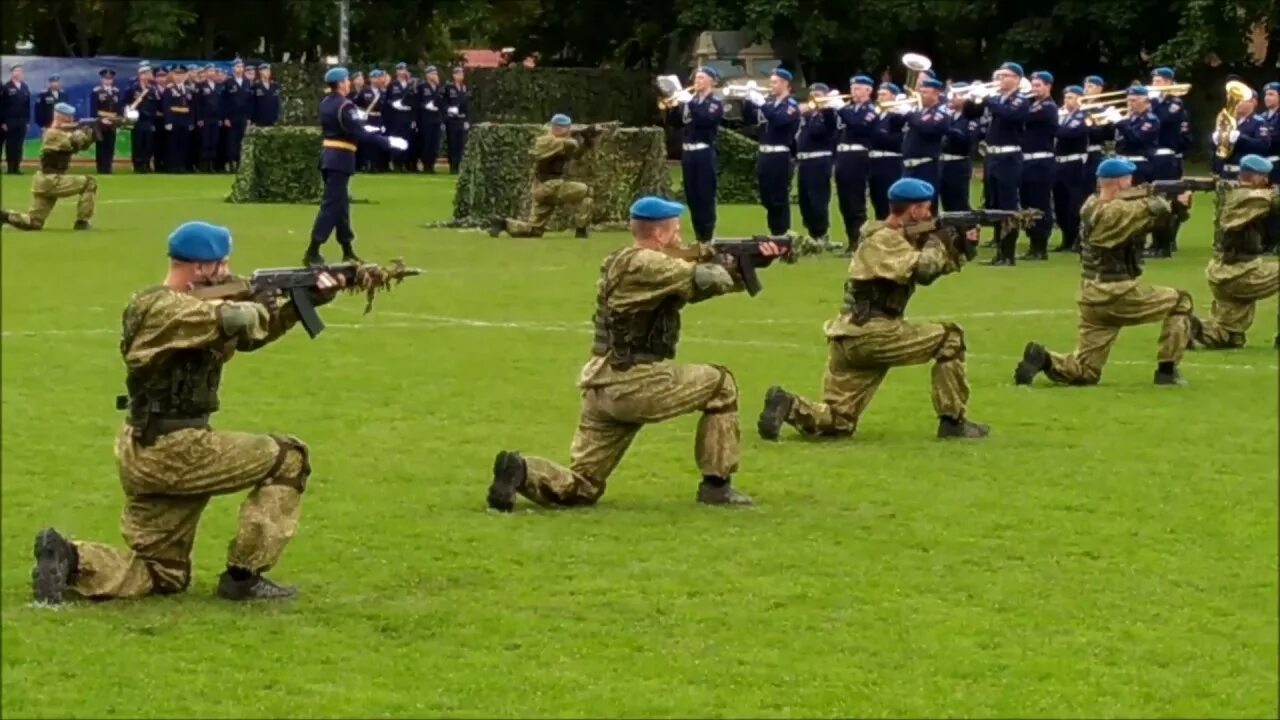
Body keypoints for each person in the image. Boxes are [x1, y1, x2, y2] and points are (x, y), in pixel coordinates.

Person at [29, 221, 346, 606]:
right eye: (223, 264)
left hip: (148, 447)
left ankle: (71, 556)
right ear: (201, 268)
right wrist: (269, 298)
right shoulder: (161, 307)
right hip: (176, 449)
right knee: (288, 457)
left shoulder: (185, 308)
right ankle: (244, 577)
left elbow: (250, 335)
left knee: (162, 573)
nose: (229, 272)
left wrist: (303, 302)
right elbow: (239, 320)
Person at [486, 196, 787, 512]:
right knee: (720, 384)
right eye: (675, 231)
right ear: (659, 234)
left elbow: (693, 285)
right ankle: (717, 486)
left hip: (601, 384)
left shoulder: (628, 262)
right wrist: (736, 261)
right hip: (634, 382)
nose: (680, 238)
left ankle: (520, 471)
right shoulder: (646, 263)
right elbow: (707, 278)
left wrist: (752, 260)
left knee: (584, 485)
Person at [756, 178, 989, 441]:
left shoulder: (888, 237)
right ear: (913, 211)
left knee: (839, 421)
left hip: (849, 336)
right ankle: (953, 421)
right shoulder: (885, 240)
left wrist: (959, 245)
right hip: (874, 335)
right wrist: (939, 240)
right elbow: (925, 269)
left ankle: (788, 406)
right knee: (950, 337)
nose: (929, 215)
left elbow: (926, 265)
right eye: (926, 209)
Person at [1013, 158, 1195, 387]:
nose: (1132, 183)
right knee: (1181, 301)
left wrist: (1173, 206)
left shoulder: (1091, 204)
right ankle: (1167, 370)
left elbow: (1149, 224)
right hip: (1117, 292)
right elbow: (1153, 211)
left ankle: (1047, 359)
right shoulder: (1118, 210)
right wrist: (1175, 203)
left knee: (1087, 372)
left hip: (1091, 293)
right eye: (1129, 179)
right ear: (1120, 182)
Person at [304, 67, 406, 266]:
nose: (349, 83)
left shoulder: (327, 103)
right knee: (332, 206)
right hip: (340, 158)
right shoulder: (345, 106)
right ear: (341, 83)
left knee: (341, 206)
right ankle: (313, 249)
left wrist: (363, 127)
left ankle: (347, 250)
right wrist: (387, 142)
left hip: (329, 157)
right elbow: (359, 134)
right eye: (347, 80)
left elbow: (347, 127)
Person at [1188, 155, 1279, 349]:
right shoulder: (1249, 197)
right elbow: (1274, 199)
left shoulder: (1232, 191)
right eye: (1263, 177)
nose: (1266, 181)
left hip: (1224, 272)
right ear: (1254, 177)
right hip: (1240, 274)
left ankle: (1191, 329)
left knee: (1228, 334)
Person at [488, 113, 595, 239]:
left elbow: (576, 155)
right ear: (557, 128)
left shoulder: (561, 142)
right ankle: (581, 230)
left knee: (534, 231)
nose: (568, 131)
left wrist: (587, 142)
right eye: (566, 128)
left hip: (544, 189)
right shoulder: (545, 140)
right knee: (587, 191)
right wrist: (578, 136)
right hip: (549, 186)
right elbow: (568, 144)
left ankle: (503, 223)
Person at [0, 103, 97, 231]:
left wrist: (94, 134)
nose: (72, 119)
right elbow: (75, 142)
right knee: (89, 183)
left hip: (45, 181)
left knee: (33, 223)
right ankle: (82, 222)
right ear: (62, 117)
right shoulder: (53, 133)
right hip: (51, 180)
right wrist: (84, 131)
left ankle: (4, 216)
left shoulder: (60, 133)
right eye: (69, 116)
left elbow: (80, 146)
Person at [967, 61, 1028, 266]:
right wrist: (973, 99)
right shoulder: (998, 99)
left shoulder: (1021, 99)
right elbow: (971, 114)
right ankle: (1000, 252)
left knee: (1008, 206)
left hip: (1009, 157)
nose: (1000, 79)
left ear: (1017, 79)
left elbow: (1010, 115)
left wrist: (988, 99)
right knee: (994, 204)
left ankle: (1008, 254)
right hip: (992, 157)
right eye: (999, 75)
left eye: (1006, 75)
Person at [665, 66, 723, 243]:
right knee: (692, 195)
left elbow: (705, 119)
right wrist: (673, 106)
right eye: (696, 78)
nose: (697, 81)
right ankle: (699, 235)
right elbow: (676, 123)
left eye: (702, 78)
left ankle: (708, 235)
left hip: (704, 151)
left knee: (705, 193)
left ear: (712, 81)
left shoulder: (714, 103)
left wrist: (689, 102)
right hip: (688, 152)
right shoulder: (691, 102)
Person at [743, 69, 800, 235]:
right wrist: (748, 101)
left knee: (778, 196)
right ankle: (774, 231)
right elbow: (749, 119)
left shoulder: (791, 106)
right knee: (766, 195)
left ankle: (782, 232)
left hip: (780, 155)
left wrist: (761, 103)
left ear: (785, 84)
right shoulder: (770, 104)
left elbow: (779, 120)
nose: (771, 85)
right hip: (765, 154)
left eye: (775, 82)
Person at [1146, 67, 1192, 258]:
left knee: (1166, 201)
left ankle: (1164, 243)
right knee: (1152, 200)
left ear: (1169, 83)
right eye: (1154, 81)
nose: (1154, 85)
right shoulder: (1154, 102)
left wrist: (1151, 102)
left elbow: (1160, 120)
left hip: (1167, 157)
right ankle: (1156, 242)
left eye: (1158, 82)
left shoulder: (1175, 103)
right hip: (1152, 156)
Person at [834, 75, 878, 250]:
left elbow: (859, 126)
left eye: (859, 88)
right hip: (843, 155)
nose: (854, 92)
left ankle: (860, 240)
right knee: (844, 200)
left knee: (855, 200)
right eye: (853, 88)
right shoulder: (849, 109)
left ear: (868, 91)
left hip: (858, 155)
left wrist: (841, 109)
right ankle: (851, 239)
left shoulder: (870, 110)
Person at [795, 82, 838, 249]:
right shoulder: (808, 115)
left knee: (818, 199)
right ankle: (812, 233)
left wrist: (824, 108)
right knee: (805, 200)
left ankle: (822, 234)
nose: (814, 99)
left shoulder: (827, 115)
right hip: (804, 161)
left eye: (818, 95)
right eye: (812, 95)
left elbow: (818, 132)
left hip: (819, 160)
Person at [1052, 85, 1090, 253]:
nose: (1067, 101)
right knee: (1060, 202)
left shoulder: (1084, 116)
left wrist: (1052, 127)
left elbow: (1069, 133)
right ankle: (1066, 238)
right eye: (1066, 97)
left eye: (1072, 97)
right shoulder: (1060, 115)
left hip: (1075, 162)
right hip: (1058, 162)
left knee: (1074, 202)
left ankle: (1078, 238)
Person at [901, 78, 948, 211]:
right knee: (907, 207)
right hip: (909, 167)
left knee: (926, 208)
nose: (921, 95)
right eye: (920, 92)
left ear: (936, 94)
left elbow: (927, 127)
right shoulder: (919, 112)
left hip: (926, 166)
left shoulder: (940, 113)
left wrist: (909, 113)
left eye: (925, 92)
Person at [868, 82, 907, 221]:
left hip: (890, 161)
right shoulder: (877, 115)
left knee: (888, 200)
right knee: (876, 198)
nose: (880, 97)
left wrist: (879, 134)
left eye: (884, 94)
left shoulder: (898, 115)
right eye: (879, 94)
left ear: (894, 96)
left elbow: (897, 140)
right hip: (874, 161)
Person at [940, 83, 981, 213]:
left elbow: (968, 141)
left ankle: (967, 232)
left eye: (956, 95)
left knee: (959, 203)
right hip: (943, 163)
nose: (951, 98)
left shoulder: (971, 118)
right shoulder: (949, 116)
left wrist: (948, 129)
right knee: (946, 203)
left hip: (958, 163)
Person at [1214, 89, 1270, 180]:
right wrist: (1217, 139)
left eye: (1241, 100)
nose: (1237, 103)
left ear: (1253, 102)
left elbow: (1263, 146)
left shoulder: (1259, 122)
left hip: (1246, 174)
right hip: (1225, 171)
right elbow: (1218, 150)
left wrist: (1239, 138)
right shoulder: (1229, 121)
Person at [124, 64, 159, 173]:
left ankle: (147, 163)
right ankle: (138, 165)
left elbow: (155, 105)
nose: (149, 75)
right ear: (141, 75)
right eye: (146, 73)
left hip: (149, 120)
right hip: (137, 120)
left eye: (149, 73)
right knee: (138, 143)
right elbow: (125, 103)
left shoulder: (152, 89)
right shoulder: (132, 88)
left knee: (148, 143)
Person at [88, 68, 122, 174]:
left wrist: (117, 121)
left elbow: (119, 109)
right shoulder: (96, 92)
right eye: (106, 78)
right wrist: (103, 119)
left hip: (112, 124)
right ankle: (101, 168)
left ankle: (108, 168)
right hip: (100, 124)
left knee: (110, 146)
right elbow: (94, 110)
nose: (108, 80)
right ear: (102, 79)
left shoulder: (116, 92)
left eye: (110, 79)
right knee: (101, 146)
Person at [222, 59, 253, 172]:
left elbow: (250, 101)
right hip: (231, 117)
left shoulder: (247, 82)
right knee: (231, 141)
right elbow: (224, 101)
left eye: (241, 67)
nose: (239, 69)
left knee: (242, 140)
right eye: (237, 67)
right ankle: (230, 162)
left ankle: (241, 163)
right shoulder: (228, 82)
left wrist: (249, 117)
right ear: (233, 68)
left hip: (243, 116)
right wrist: (225, 117)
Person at [2, 63, 32, 174]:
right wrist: (3, 122)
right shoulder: (6, 87)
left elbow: (27, 105)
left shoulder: (25, 87)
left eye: (20, 71)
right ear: (12, 73)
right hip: (9, 120)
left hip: (22, 120)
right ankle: (10, 168)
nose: (18, 73)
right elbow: (2, 105)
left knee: (19, 145)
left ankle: (17, 167)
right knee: (10, 144)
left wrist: (28, 121)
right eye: (15, 71)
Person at [162, 65, 192, 173]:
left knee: (184, 144)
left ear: (184, 75)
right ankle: (172, 166)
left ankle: (181, 165)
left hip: (185, 120)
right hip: (174, 119)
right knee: (172, 144)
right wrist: (168, 121)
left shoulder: (188, 89)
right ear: (173, 75)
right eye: (176, 74)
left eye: (181, 74)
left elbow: (192, 107)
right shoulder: (169, 89)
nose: (178, 77)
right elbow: (166, 106)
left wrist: (190, 122)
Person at [386, 62, 416, 172]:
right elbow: (387, 100)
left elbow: (415, 101)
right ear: (396, 71)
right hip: (396, 117)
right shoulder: (393, 85)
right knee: (396, 140)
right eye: (400, 70)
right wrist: (393, 104)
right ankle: (396, 163)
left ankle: (404, 163)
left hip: (407, 115)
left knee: (406, 139)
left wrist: (413, 116)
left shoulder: (410, 85)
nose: (402, 72)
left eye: (404, 69)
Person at [416, 65, 444, 173]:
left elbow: (442, 103)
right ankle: (426, 164)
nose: (434, 75)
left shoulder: (438, 88)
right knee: (426, 142)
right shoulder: (422, 87)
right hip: (426, 119)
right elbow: (417, 102)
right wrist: (424, 106)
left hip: (436, 119)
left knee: (435, 143)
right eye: (432, 73)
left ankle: (432, 164)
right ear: (427, 75)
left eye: (435, 73)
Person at [195, 64, 223, 173]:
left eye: (213, 71)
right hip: (205, 118)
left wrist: (221, 117)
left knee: (214, 142)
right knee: (205, 142)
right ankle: (203, 165)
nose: (211, 73)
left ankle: (211, 165)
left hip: (215, 118)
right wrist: (199, 118)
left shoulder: (218, 86)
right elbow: (198, 104)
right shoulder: (201, 86)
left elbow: (221, 104)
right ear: (206, 73)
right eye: (209, 70)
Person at [1082, 75, 1110, 182]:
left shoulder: (1103, 109)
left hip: (1094, 152)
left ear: (1099, 89)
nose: (1086, 89)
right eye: (1085, 86)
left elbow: (1100, 133)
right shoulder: (1080, 107)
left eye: (1090, 86)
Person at [441, 65, 468, 173]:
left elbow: (467, 105)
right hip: (451, 119)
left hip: (461, 119)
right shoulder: (449, 87)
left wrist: (467, 119)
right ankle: (453, 165)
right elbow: (442, 102)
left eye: (461, 74)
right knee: (452, 143)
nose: (460, 76)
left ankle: (459, 164)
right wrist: (448, 109)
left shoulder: (464, 88)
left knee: (460, 143)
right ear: (454, 75)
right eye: (458, 74)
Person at [252, 63, 280, 127]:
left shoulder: (274, 86)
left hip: (272, 119)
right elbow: (252, 103)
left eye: (269, 70)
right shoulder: (256, 86)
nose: (268, 72)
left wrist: (277, 115)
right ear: (260, 72)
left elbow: (277, 102)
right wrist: (252, 119)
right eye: (265, 70)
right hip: (259, 119)